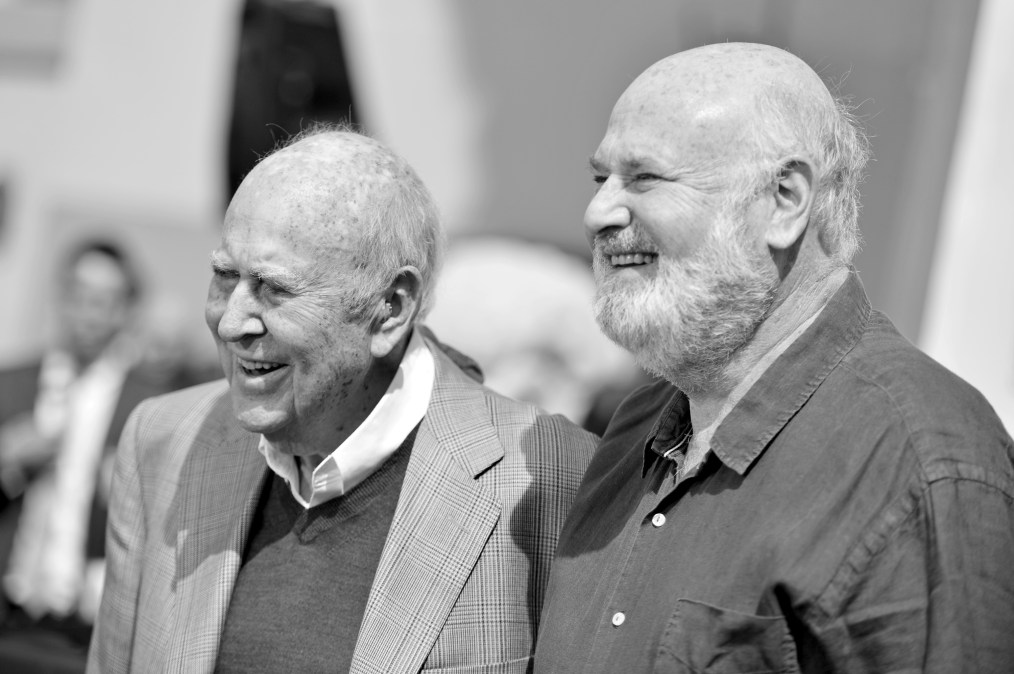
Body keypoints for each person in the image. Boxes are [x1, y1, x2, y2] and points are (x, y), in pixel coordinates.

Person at [535, 42, 1014, 673]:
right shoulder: (639, 424)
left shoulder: (916, 455)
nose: (598, 212)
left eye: (645, 178)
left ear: (785, 200)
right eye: (602, 178)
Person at [88, 127, 596, 673]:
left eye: (273, 289)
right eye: (224, 276)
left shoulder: (548, 476)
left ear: (391, 308)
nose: (231, 321)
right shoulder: (163, 441)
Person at [0, 240, 169, 669]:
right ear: (60, 296)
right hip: (8, 611)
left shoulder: (151, 406)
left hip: (88, 631)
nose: (89, 312)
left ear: (126, 310)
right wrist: (8, 464)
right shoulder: (9, 385)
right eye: (79, 295)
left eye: (105, 301)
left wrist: (128, 489)